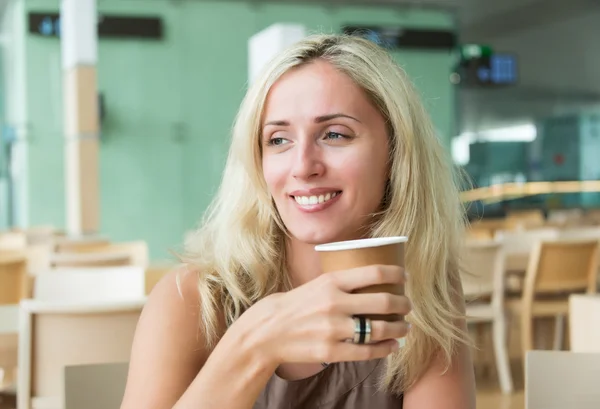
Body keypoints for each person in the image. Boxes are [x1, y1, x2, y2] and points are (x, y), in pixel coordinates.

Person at [120, 34, 476, 409]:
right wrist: (256, 342)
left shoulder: (419, 288)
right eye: (278, 140)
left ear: (394, 153)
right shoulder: (190, 300)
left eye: (335, 134)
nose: (303, 166)